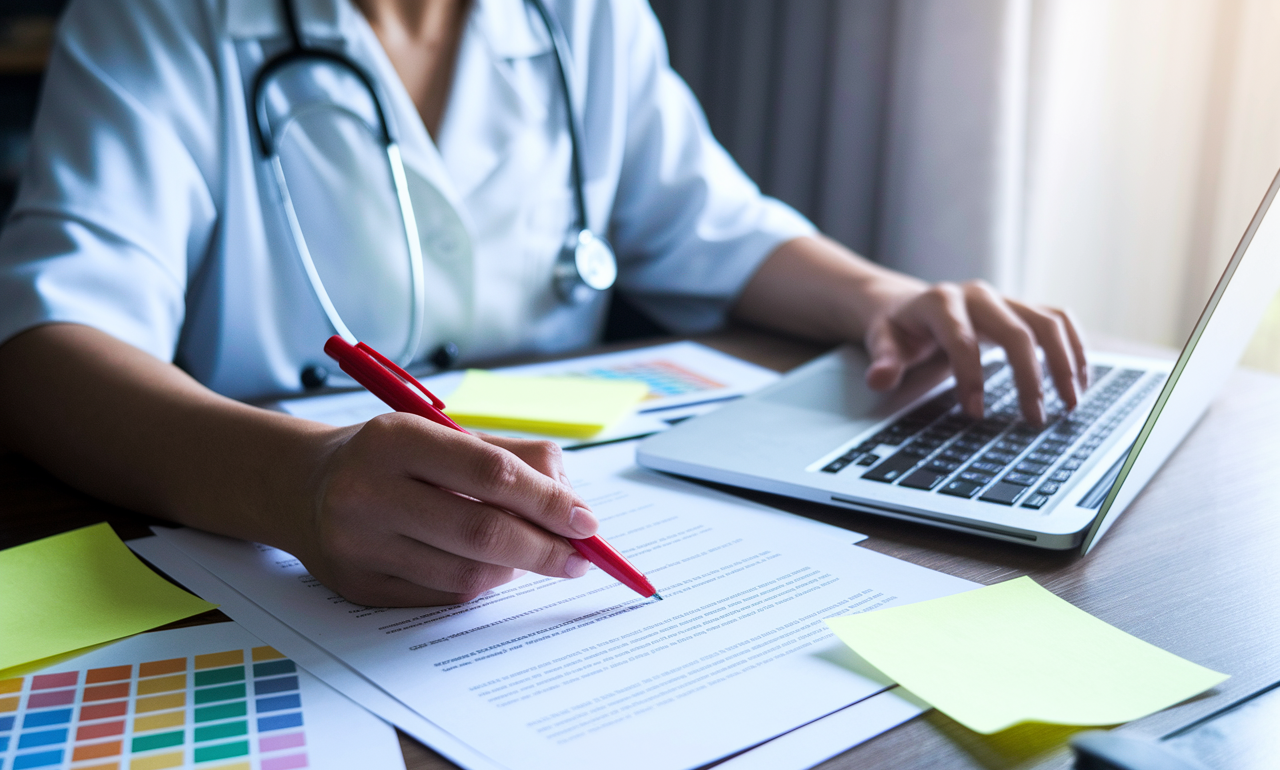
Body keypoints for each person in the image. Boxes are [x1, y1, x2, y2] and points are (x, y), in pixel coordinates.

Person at [0, 0, 1086, 607]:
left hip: (543, 547)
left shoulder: (583, 17)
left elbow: (710, 220)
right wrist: (302, 480)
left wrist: (885, 298)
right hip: (275, 575)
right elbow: (45, 350)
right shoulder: (158, 20)